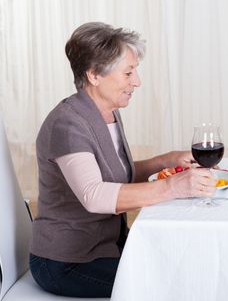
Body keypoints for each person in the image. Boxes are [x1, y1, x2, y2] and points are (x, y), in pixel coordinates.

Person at [29, 22, 217, 298]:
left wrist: (167, 161)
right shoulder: (68, 125)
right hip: (66, 262)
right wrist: (174, 186)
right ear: (94, 75)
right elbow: (95, 194)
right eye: (128, 72)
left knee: (185, 262)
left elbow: (116, 177)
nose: (137, 81)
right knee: (172, 281)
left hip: (105, 247)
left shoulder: (107, 113)